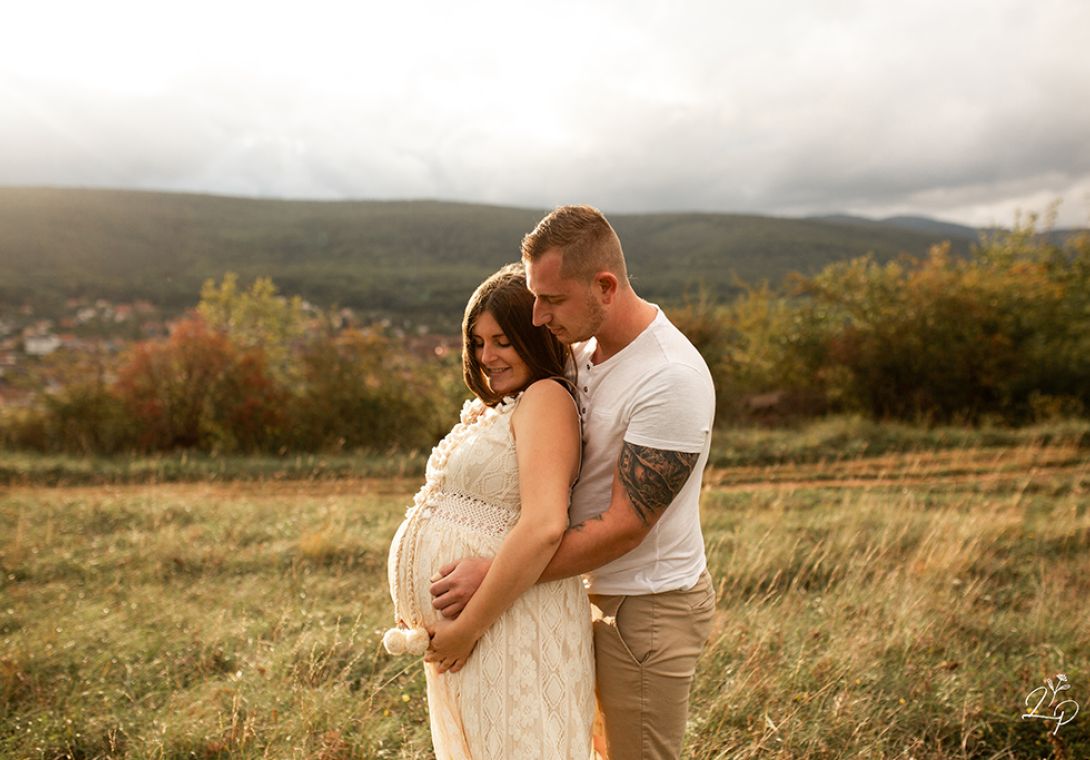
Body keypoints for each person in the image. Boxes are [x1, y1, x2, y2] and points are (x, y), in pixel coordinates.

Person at [430, 205, 717, 759]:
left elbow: (623, 527)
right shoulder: (581, 351)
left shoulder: (670, 378)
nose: (538, 317)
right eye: (535, 297)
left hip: (644, 608)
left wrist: (495, 575)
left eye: (553, 300)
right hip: (574, 595)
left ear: (605, 286)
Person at [384, 263, 595, 759]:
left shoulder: (546, 398)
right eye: (478, 343)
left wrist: (466, 628)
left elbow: (545, 525)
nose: (487, 356)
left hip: (508, 624)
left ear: (534, 337)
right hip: (484, 631)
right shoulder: (502, 405)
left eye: (503, 341)